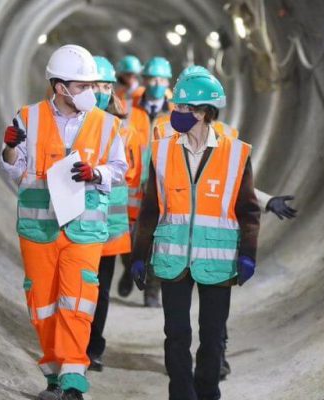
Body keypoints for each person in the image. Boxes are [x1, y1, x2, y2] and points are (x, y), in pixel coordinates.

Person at [0, 44, 128, 400]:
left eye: (92, 85)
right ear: (60, 87)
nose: (90, 92)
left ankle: (73, 379)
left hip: (84, 228)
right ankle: (53, 376)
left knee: (78, 301)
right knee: (43, 303)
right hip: (38, 228)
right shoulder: (29, 117)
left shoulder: (107, 125)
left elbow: (120, 170)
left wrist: (95, 172)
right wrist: (10, 147)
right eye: (82, 85)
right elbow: (15, 168)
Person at [130, 71, 261, 400]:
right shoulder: (161, 152)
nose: (177, 113)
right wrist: (138, 255)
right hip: (172, 259)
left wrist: (247, 254)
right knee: (176, 334)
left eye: (185, 108)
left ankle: (207, 392)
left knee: (213, 335)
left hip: (217, 260)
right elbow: (150, 210)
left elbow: (248, 210)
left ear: (204, 112)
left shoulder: (236, 153)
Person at [86, 56, 143, 372]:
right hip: (73, 221)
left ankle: (93, 346)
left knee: (100, 290)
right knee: (75, 287)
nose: (100, 91)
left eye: (105, 85)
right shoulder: (68, 123)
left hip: (108, 224)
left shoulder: (125, 129)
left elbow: (131, 174)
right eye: (94, 84)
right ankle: (71, 344)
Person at [116, 56, 175, 307]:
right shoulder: (129, 107)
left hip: (161, 188)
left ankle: (152, 289)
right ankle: (130, 270)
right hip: (131, 186)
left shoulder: (176, 112)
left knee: (158, 241)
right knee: (128, 241)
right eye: (152, 79)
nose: (156, 83)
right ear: (145, 80)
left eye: (161, 79)